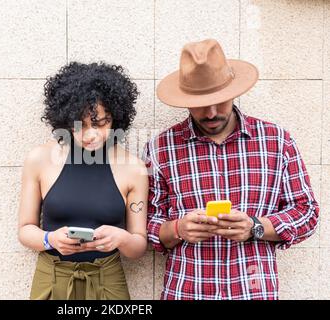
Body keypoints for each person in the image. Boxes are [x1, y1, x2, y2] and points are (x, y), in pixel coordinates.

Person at [143, 39, 319, 300]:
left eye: (220, 100)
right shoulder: (161, 146)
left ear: (234, 92)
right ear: (185, 100)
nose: (212, 112)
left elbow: (307, 213)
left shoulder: (276, 140)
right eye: (201, 103)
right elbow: (146, 223)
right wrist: (178, 229)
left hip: (253, 292)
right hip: (187, 290)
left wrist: (256, 227)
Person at [18, 62, 148, 300]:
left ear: (116, 119)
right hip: (52, 277)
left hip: (107, 279)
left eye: (101, 123)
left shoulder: (134, 169)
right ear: (66, 122)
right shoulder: (39, 159)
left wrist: (121, 238)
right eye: (81, 125)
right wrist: (50, 239)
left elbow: (139, 245)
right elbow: (25, 230)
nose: (91, 135)